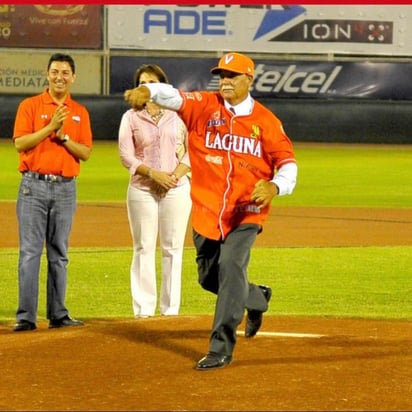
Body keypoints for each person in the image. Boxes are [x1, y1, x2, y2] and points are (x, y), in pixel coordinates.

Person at [124, 52, 298, 370]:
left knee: (231, 266)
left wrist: (274, 186)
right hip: (206, 210)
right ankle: (256, 297)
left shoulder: (266, 122)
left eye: (233, 75)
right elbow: (173, 96)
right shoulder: (204, 106)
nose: (226, 81)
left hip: (245, 212)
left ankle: (220, 348)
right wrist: (149, 92)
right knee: (209, 278)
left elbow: (288, 164)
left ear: (249, 79)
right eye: (222, 75)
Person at [12, 53, 93, 332]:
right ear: (47, 74)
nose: (60, 77)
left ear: (73, 77)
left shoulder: (80, 111)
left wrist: (65, 138)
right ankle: (26, 316)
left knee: (59, 252)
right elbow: (20, 144)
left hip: (65, 187)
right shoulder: (30, 105)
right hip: (33, 186)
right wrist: (50, 127)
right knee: (30, 252)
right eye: (55, 71)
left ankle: (58, 313)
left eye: (65, 72)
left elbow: (85, 153)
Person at [118, 64, 192, 318]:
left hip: (177, 187)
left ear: (163, 85)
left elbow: (196, 149)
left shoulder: (180, 115)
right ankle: (143, 311)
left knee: (173, 249)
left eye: (152, 81)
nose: (147, 86)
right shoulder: (130, 117)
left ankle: (170, 311)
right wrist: (153, 173)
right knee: (144, 247)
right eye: (142, 82)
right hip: (142, 189)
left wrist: (175, 175)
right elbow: (126, 156)